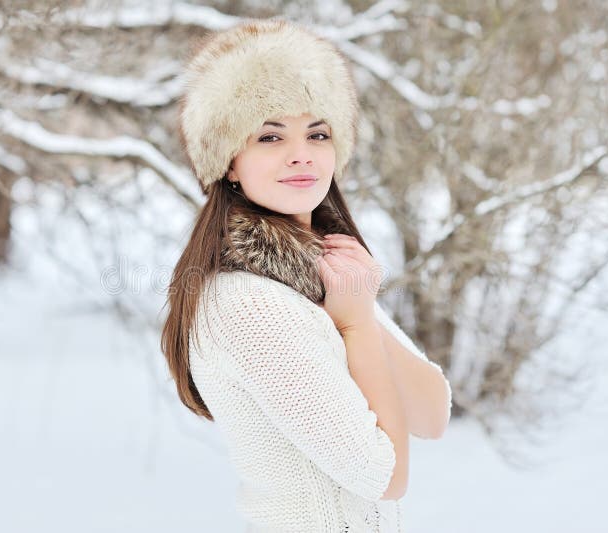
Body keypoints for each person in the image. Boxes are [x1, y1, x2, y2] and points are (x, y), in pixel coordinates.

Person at [160, 18, 452, 533]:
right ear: (229, 162)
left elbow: (431, 416)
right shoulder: (246, 302)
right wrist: (356, 324)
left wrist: (355, 312)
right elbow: (385, 476)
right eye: (270, 135)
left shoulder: (328, 276)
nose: (302, 153)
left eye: (318, 132)